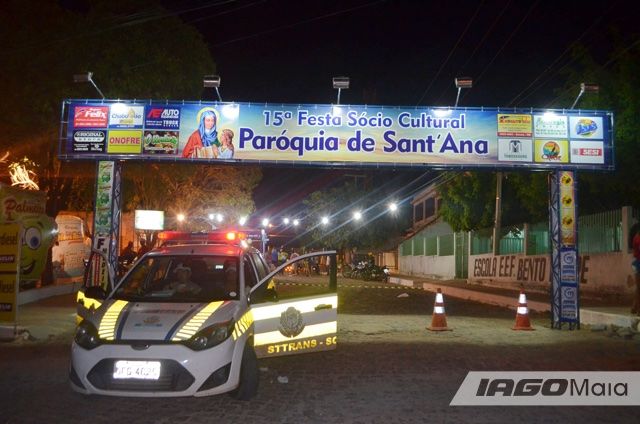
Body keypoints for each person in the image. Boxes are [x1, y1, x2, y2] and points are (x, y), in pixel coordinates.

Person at [631, 230, 640, 315]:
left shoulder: (636, 237)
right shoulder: (638, 238)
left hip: (636, 262)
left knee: (638, 287)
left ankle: (634, 307)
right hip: (638, 262)